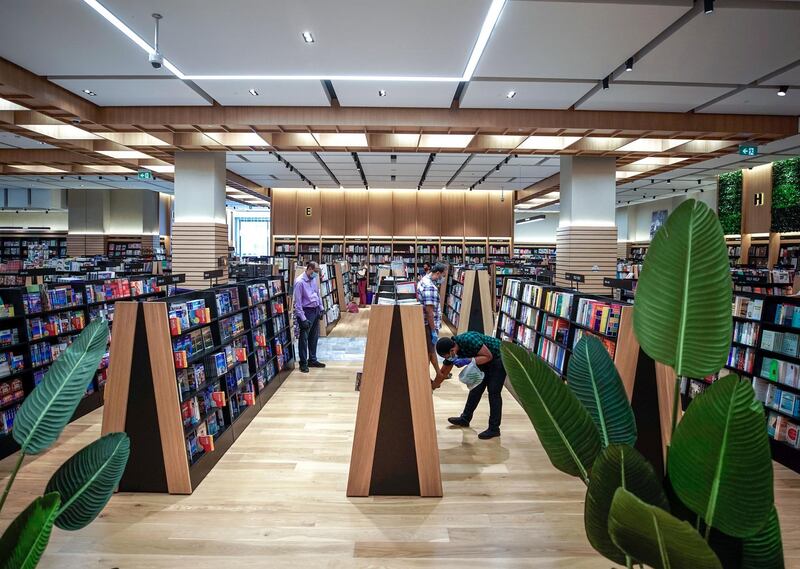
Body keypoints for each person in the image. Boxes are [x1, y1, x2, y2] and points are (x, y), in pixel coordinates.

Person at [434, 332, 505, 440]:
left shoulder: (469, 340)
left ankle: (494, 429)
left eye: (447, 356)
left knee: (494, 392)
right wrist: (433, 386)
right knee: (476, 389)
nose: (449, 358)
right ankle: (465, 419)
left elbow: (488, 356)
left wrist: (468, 360)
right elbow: (443, 372)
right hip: (482, 360)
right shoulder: (452, 353)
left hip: (498, 357)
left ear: (452, 350)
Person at [293, 261, 326, 373]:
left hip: (315, 310)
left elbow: (317, 294)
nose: (317, 274)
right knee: (304, 338)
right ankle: (303, 363)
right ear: (310, 269)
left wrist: (321, 308)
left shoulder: (313, 280)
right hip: (306, 312)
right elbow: (297, 304)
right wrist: (303, 319)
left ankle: (312, 359)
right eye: (316, 271)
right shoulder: (299, 282)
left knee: (314, 337)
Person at [417, 263, 445, 381]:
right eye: (442, 275)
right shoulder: (430, 287)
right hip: (428, 325)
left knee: (429, 351)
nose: (442, 278)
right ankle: (432, 376)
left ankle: (434, 375)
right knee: (430, 351)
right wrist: (433, 330)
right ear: (437, 273)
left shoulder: (423, 280)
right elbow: (429, 312)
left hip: (424, 323)